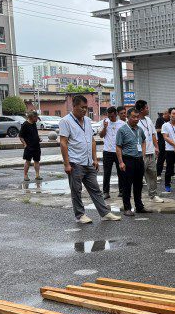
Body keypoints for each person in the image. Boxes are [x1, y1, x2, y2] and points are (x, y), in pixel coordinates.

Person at [58, 95, 120, 223]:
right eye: (82, 107)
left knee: (95, 189)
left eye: (86, 108)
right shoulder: (65, 121)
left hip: (88, 161)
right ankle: (80, 215)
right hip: (75, 162)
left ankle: (104, 213)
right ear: (74, 106)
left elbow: (91, 140)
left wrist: (95, 159)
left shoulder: (87, 120)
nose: (84, 110)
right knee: (76, 190)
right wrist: (66, 164)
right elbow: (63, 142)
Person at [115, 108, 147, 216]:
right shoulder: (122, 130)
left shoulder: (140, 130)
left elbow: (143, 141)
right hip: (127, 160)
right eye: (133, 117)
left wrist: (143, 154)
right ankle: (127, 208)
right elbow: (118, 147)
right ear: (128, 117)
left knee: (138, 184)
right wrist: (120, 162)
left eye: (137, 117)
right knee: (127, 185)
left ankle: (139, 206)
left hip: (139, 160)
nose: (136, 119)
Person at [135, 100, 164, 204]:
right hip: (139, 154)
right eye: (146, 108)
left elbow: (153, 134)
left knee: (152, 174)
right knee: (138, 177)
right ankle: (137, 198)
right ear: (141, 109)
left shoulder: (148, 120)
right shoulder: (135, 121)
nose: (148, 109)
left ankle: (153, 195)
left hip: (150, 151)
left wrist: (156, 148)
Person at [99, 106, 125, 199]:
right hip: (108, 151)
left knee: (121, 172)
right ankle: (106, 192)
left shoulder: (122, 124)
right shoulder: (105, 122)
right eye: (109, 116)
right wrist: (105, 128)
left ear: (116, 114)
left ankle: (122, 191)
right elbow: (101, 136)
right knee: (107, 172)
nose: (110, 118)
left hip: (119, 151)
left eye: (112, 116)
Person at [19, 111, 42, 181]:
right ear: (33, 117)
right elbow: (20, 136)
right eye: (36, 117)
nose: (37, 119)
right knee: (28, 161)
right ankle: (25, 175)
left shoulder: (34, 123)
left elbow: (35, 133)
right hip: (29, 147)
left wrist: (38, 138)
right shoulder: (25, 124)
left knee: (37, 160)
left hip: (36, 146)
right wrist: (25, 144)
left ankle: (37, 175)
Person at [155, 108, 169, 179]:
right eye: (168, 114)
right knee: (161, 158)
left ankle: (171, 173)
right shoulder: (159, 120)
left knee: (170, 158)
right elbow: (157, 130)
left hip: (169, 142)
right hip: (162, 142)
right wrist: (165, 129)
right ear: (165, 114)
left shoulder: (170, 120)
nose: (169, 116)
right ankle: (158, 174)